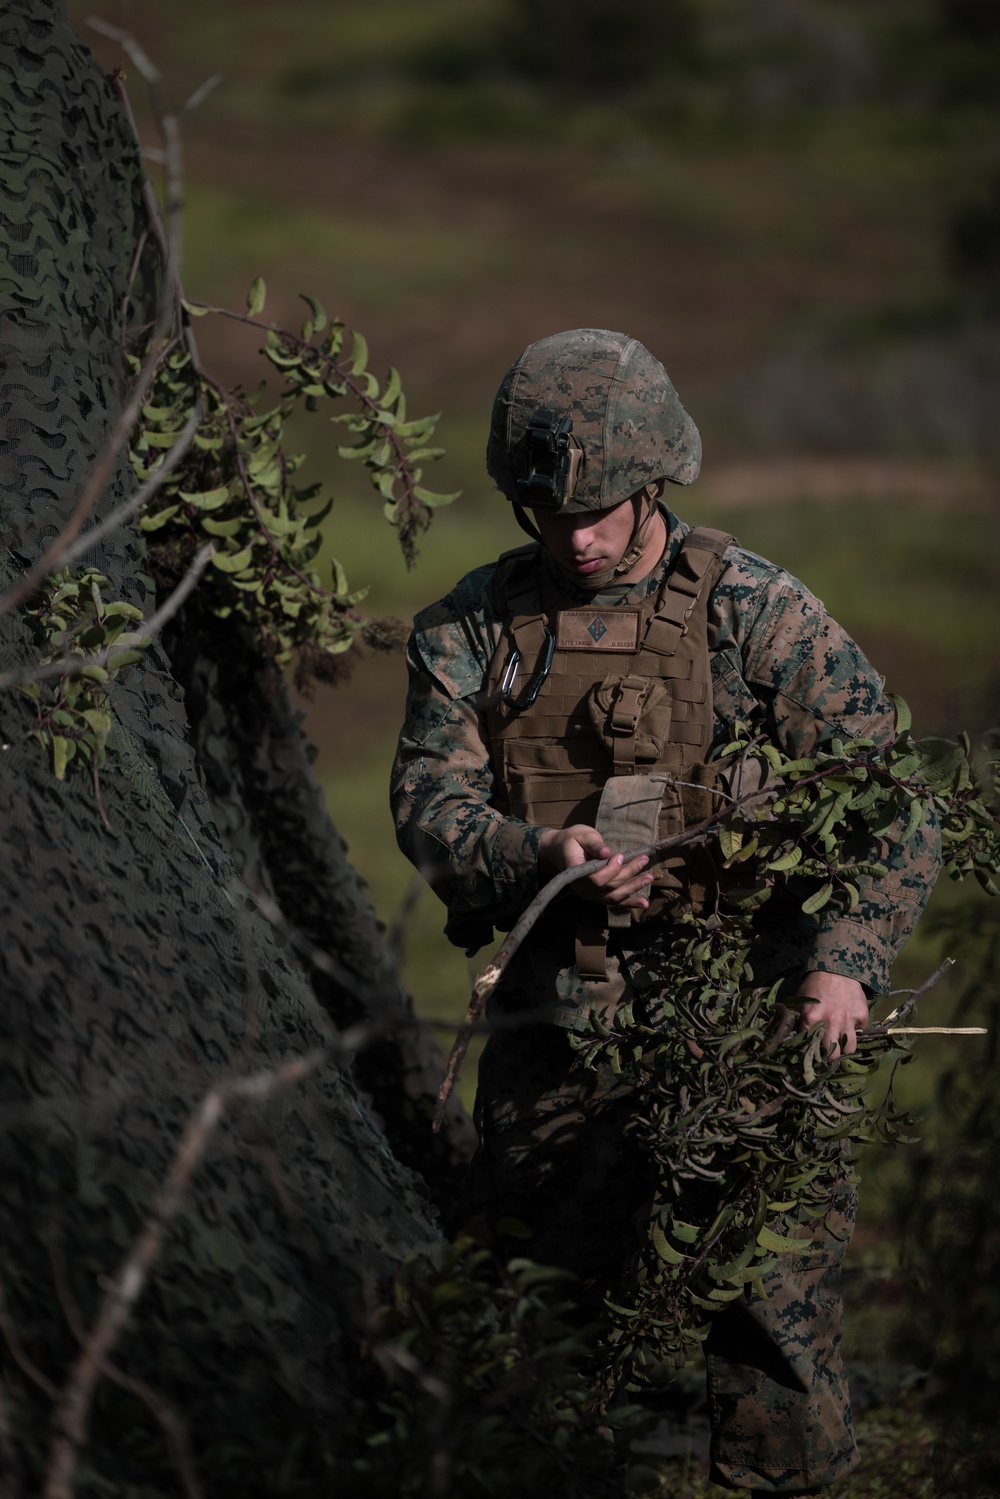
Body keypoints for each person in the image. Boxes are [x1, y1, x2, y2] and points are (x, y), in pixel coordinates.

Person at [390, 328, 940, 1493]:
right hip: (558, 1031)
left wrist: (841, 962)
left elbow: (893, 801)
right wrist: (534, 847)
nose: (575, 538)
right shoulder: (471, 629)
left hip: (748, 1017)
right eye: (549, 515)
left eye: (597, 510)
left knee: (768, 1316)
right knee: (537, 1324)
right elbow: (426, 806)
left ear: (654, 483)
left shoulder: (755, 613)